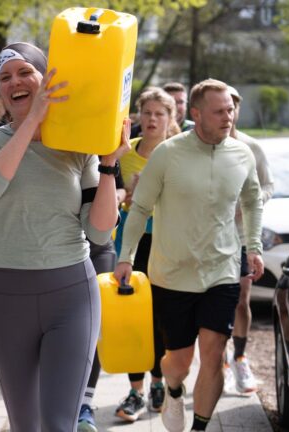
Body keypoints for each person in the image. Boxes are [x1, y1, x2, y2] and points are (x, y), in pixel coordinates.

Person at [0, 42, 130, 431]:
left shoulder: (78, 147)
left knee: (60, 423)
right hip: (5, 295)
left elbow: (98, 230)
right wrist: (32, 122)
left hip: (71, 293)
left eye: (26, 72)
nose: (15, 82)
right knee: (26, 425)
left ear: (47, 79)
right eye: (5, 77)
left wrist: (109, 165)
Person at [113, 78, 264, 432]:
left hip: (222, 271)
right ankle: (174, 390)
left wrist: (253, 245)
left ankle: (199, 427)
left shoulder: (242, 153)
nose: (228, 117)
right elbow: (139, 208)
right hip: (172, 273)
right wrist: (126, 257)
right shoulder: (169, 153)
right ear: (196, 114)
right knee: (178, 362)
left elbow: (253, 199)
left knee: (213, 355)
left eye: (230, 109)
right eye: (219, 111)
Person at [113, 87, 181, 423]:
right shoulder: (126, 154)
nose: (152, 119)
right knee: (132, 320)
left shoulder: (178, 155)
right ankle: (135, 389)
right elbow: (114, 198)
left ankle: (157, 384)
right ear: (138, 116)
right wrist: (127, 197)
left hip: (167, 246)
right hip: (131, 246)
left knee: (161, 321)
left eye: (160, 114)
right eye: (147, 113)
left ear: (171, 120)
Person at [223, 85, 274, 395]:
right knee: (211, 302)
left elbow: (267, 186)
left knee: (242, 299)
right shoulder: (195, 146)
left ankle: (240, 358)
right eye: (224, 107)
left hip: (241, 239)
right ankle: (220, 363)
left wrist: (249, 204)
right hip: (206, 240)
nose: (229, 113)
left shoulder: (251, 147)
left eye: (234, 107)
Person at [77, 173, 126, 432]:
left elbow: (120, 187)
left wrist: (117, 195)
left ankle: (85, 404)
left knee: (94, 326)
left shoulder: (102, 142)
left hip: (99, 246)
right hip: (56, 247)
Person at [130, 82, 194, 138]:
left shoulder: (195, 131)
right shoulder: (134, 132)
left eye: (180, 102)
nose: (175, 106)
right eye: (171, 102)